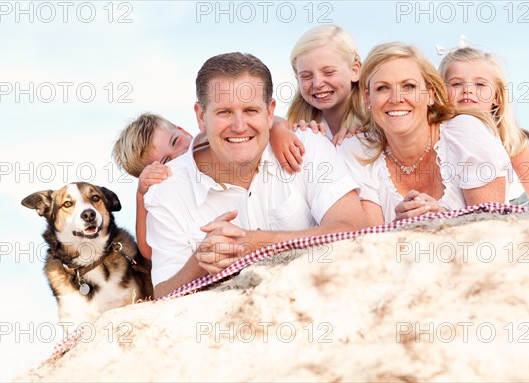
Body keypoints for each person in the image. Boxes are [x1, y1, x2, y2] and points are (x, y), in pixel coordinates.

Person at [144, 52, 366, 298]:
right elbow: (162, 294)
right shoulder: (166, 190)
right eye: (224, 112)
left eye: (250, 110)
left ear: (270, 112)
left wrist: (256, 243)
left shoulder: (308, 146)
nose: (239, 126)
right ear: (200, 117)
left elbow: (353, 229)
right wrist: (198, 263)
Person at [338, 42, 513, 225]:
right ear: (368, 98)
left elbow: (493, 230)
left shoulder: (466, 135)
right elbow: (369, 243)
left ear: (430, 94)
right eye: (383, 88)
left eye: (408, 86)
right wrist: (399, 229)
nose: (396, 98)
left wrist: (445, 220)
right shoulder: (357, 150)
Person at [112, 114, 309, 260]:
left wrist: (278, 130)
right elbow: (149, 252)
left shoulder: (215, 138)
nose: (180, 153)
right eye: (167, 161)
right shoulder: (173, 200)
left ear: (183, 130)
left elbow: (262, 120)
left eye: (175, 141)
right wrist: (142, 194)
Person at [438, 45, 529, 216]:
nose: (467, 89)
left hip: (512, 211)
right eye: (456, 83)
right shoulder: (437, 136)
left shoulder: (511, 141)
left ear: (497, 97)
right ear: (441, 92)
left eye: (480, 84)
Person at [287, 24, 364, 144]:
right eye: (306, 76)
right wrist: (278, 127)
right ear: (298, 79)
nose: (317, 84)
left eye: (328, 72)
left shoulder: (377, 123)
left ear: (354, 71)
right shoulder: (297, 129)